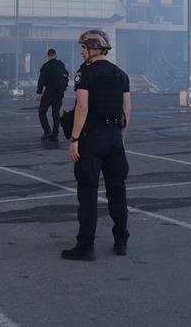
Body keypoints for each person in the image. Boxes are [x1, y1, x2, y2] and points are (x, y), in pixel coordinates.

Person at [62, 30, 131, 262]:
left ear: (94, 48)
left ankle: (86, 247)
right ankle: (121, 241)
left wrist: (74, 139)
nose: (81, 51)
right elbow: (127, 110)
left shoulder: (85, 73)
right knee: (117, 191)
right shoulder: (120, 74)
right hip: (113, 137)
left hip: (91, 138)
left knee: (88, 193)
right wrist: (120, 137)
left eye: (84, 47)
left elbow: (82, 107)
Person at [36, 49, 69, 142]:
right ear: (55, 55)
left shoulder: (46, 66)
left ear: (48, 56)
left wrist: (39, 92)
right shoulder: (61, 65)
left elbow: (41, 80)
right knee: (56, 113)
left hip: (49, 93)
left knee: (42, 111)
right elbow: (66, 77)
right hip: (59, 93)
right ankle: (55, 133)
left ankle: (47, 131)